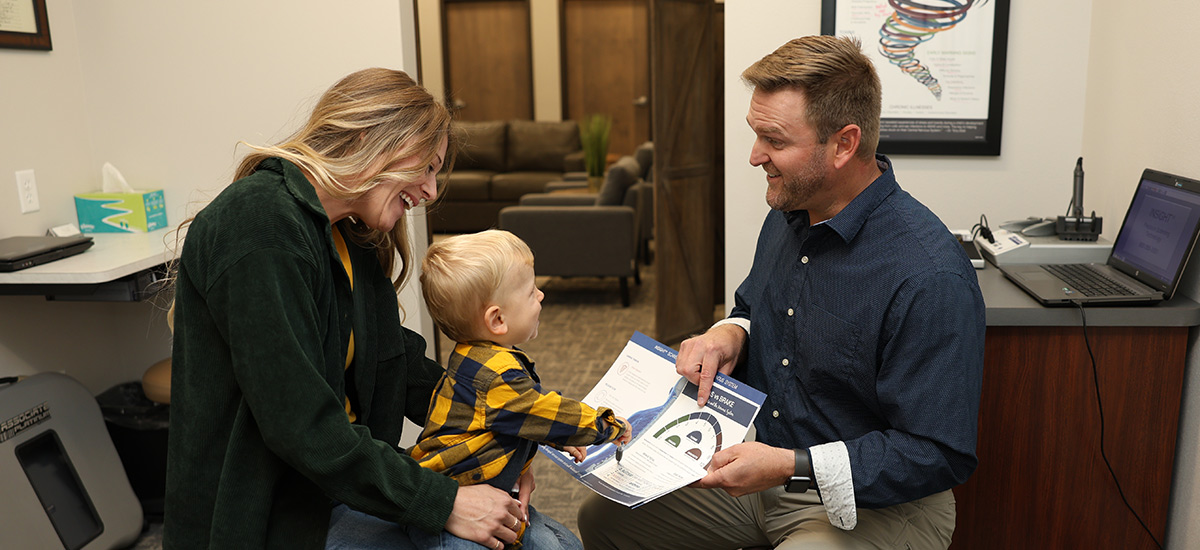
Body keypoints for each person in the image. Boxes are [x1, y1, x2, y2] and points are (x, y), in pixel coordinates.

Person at [577, 35, 986, 549]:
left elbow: (937, 453)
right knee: (602, 519)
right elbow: (753, 308)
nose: (754, 157)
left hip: (873, 504)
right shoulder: (789, 212)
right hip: (767, 469)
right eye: (756, 134)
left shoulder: (928, 276)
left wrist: (792, 465)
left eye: (775, 140)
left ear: (844, 143)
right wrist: (728, 334)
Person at [166, 68, 527, 550]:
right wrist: (441, 501)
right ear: (369, 138)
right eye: (428, 167)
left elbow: (397, 364)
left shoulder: (347, 233)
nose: (430, 191)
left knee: (539, 536)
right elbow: (303, 427)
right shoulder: (259, 227)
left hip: (337, 487)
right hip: (277, 513)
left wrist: (513, 427)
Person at [411, 229, 633, 549]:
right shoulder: (498, 377)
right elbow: (548, 411)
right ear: (497, 319)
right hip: (451, 515)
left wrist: (554, 437)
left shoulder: (472, 356)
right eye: (531, 292)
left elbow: (521, 417)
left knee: (565, 543)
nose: (541, 295)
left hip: (485, 486)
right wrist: (608, 426)